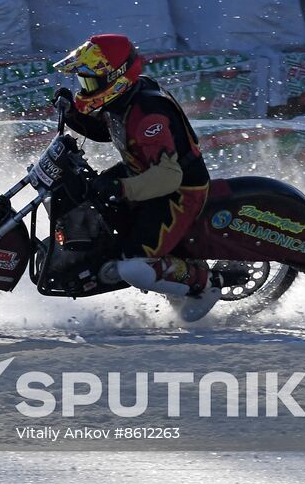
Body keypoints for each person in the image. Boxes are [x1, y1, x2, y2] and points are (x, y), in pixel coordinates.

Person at [48, 33, 222, 322]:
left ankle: (205, 284)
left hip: (178, 192)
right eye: (82, 82)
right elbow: (109, 132)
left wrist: (121, 187)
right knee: (90, 194)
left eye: (90, 81)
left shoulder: (148, 114)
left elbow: (168, 178)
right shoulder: (127, 97)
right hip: (144, 174)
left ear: (115, 77)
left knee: (134, 268)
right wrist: (74, 115)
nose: (84, 88)